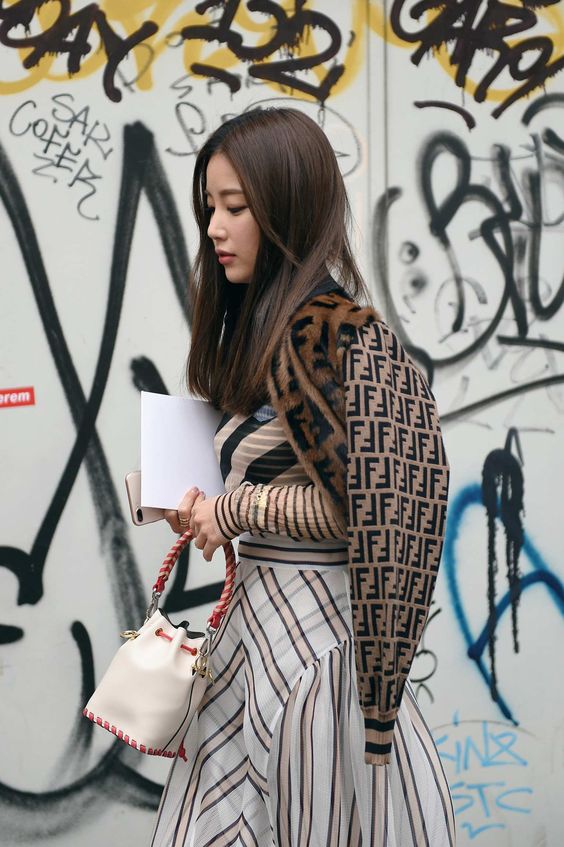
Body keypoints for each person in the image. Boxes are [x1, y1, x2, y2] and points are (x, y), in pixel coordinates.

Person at [152, 108, 455, 847]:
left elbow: (375, 505)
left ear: (287, 206)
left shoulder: (342, 335)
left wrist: (240, 506)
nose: (215, 229)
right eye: (208, 208)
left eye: (235, 207)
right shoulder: (261, 331)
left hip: (317, 646)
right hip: (255, 632)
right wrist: (192, 500)